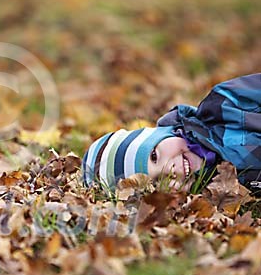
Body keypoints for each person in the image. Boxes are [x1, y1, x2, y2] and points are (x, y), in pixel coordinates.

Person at [82, 73, 261, 193]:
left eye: (154, 156)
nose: (169, 170)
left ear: (162, 133)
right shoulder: (224, 191)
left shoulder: (223, 106)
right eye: (157, 182)